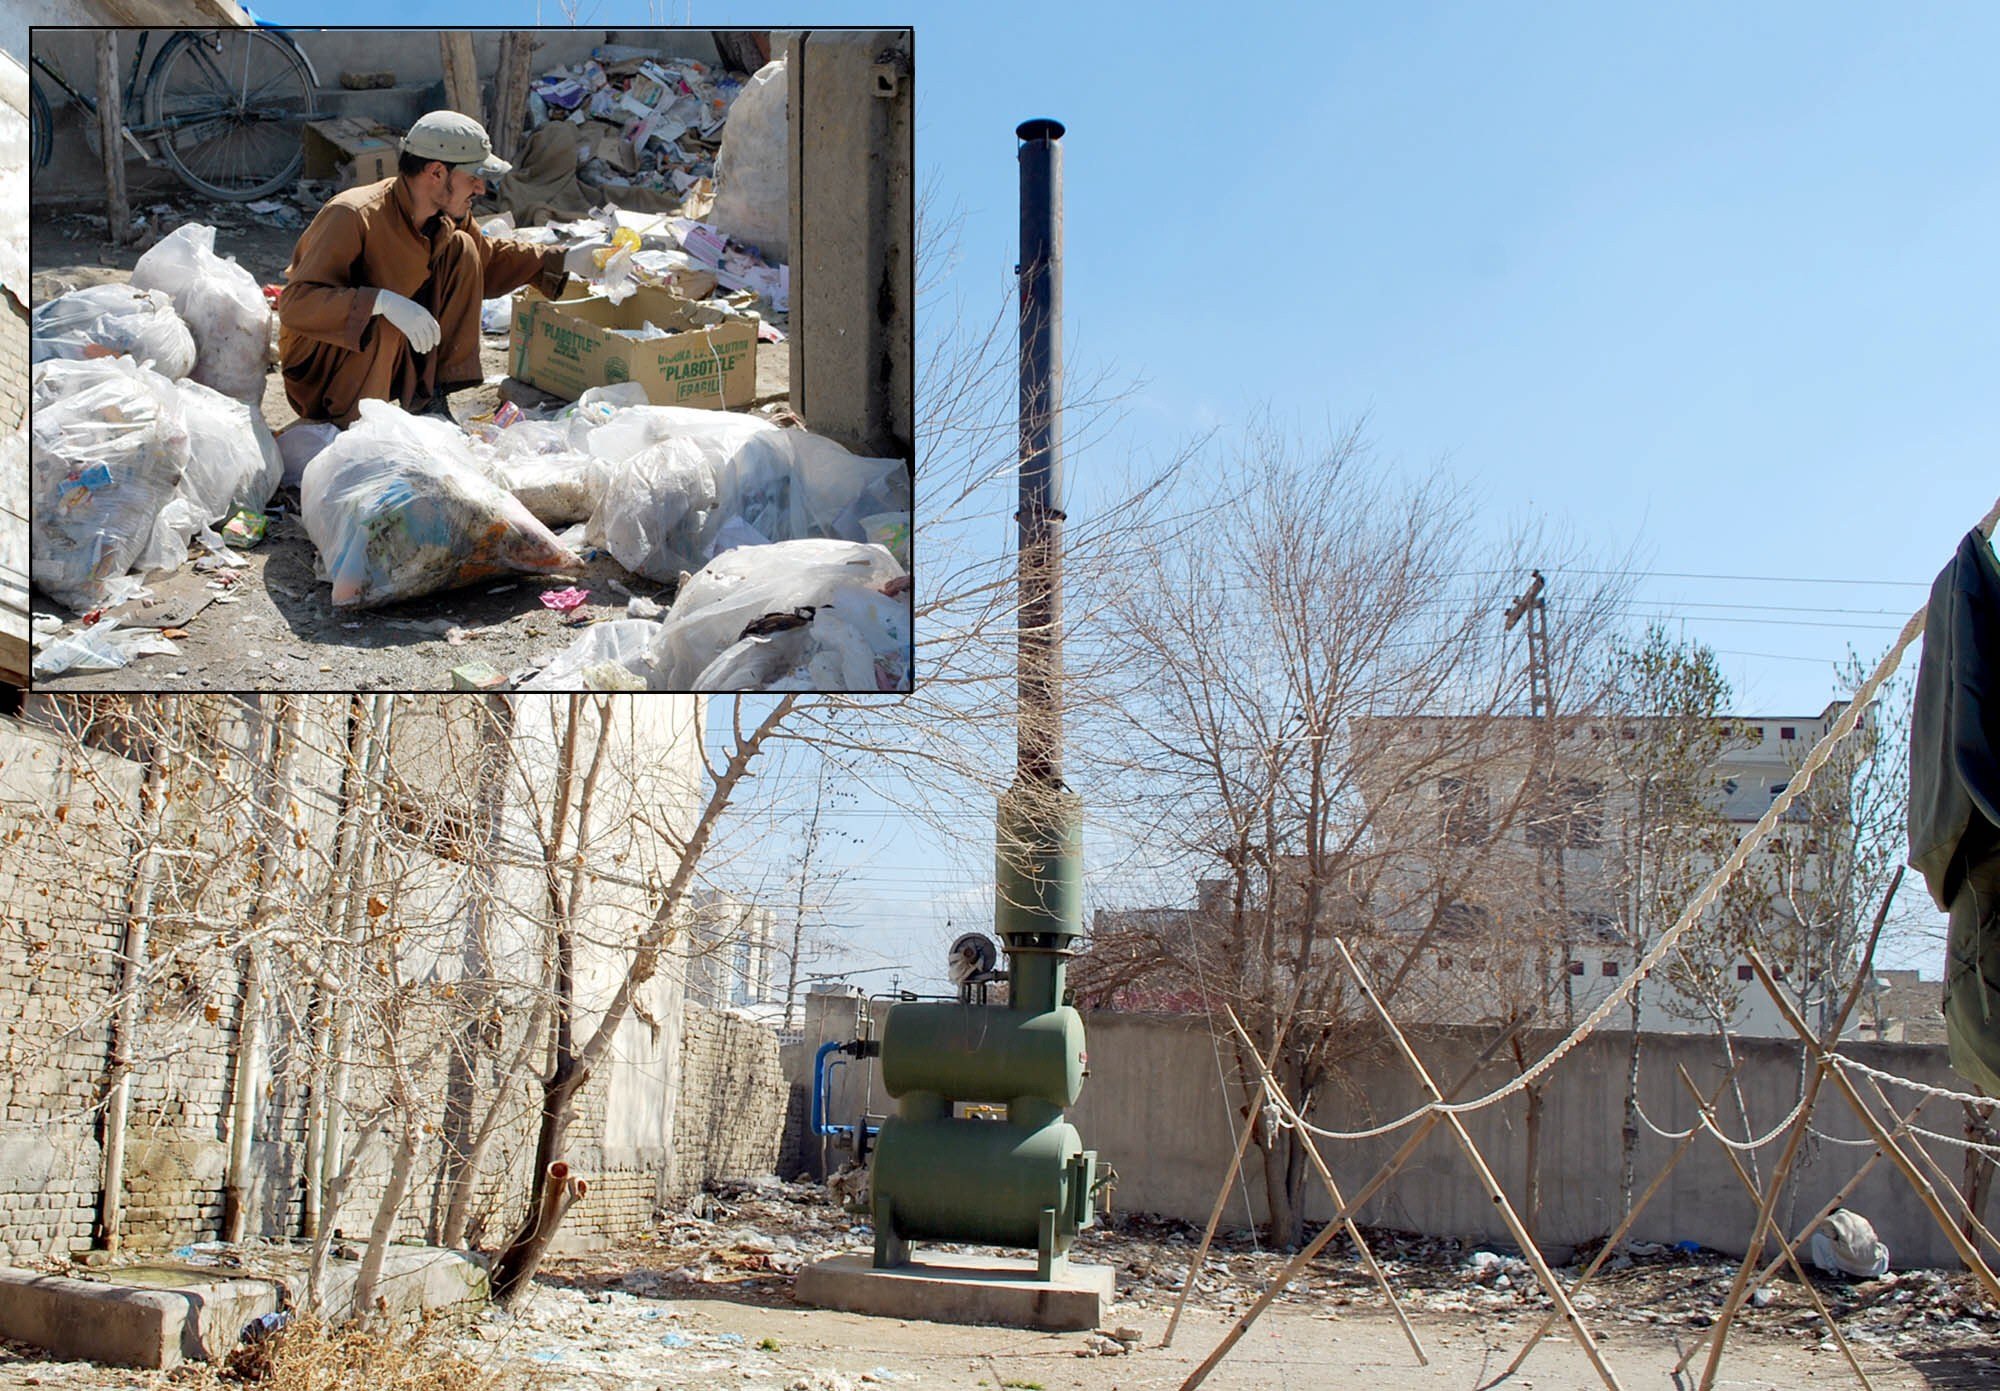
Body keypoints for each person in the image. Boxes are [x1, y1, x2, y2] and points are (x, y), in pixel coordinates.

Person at [277, 110, 605, 426]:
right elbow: (296, 305)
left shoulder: (447, 216)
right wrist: (380, 302)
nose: (481, 189)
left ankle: (432, 397)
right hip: (326, 375)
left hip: (392, 361)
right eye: (473, 178)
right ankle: (361, 428)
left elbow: (487, 259)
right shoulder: (353, 214)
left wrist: (564, 259)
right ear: (436, 173)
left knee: (463, 249)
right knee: (381, 317)